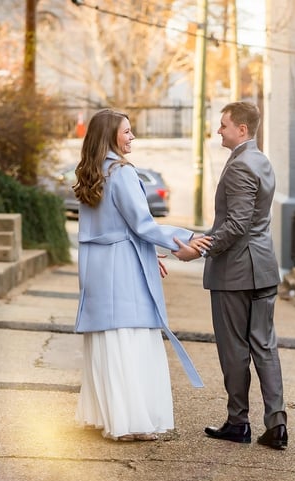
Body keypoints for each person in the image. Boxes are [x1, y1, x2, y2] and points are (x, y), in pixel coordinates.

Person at [73, 108, 211, 442]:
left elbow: (117, 226)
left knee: (108, 337)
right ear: (111, 137)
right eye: (127, 132)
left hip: (97, 265)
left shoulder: (92, 171)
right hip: (122, 267)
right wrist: (186, 239)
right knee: (130, 336)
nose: (132, 137)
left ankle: (106, 415)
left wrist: (148, 254)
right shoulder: (121, 172)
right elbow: (142, 224)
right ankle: (131, 420)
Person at [175, 101, 288, 450]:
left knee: (234, 349)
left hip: (237, 271)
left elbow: (236, 224)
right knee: (264, 345)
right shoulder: (261, 160)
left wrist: (199, 248)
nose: (218, 130)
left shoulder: (240, 165)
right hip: (264, 267)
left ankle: (238, 422)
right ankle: (277, 423)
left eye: (223, 125)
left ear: (242, 129)